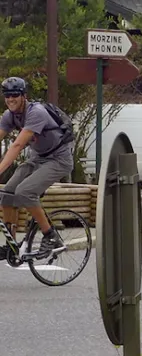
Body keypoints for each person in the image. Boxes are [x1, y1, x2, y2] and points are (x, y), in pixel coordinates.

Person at [0, 77, 74, 260]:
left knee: (25, 192)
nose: (10, 99)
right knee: (8, 192)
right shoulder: (10, 115)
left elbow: (17, 146)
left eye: (15, 95)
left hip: (59, 160)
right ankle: (11, 245)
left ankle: (50, 236)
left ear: (24, 96)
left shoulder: (36, 112)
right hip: (38, 158)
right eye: (7, 95)